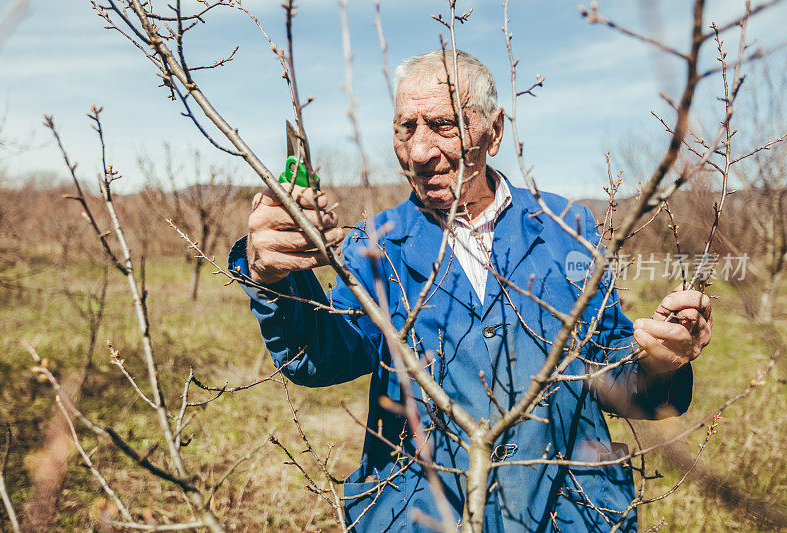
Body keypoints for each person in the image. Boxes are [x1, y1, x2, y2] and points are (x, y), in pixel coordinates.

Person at [229, 50, 712, 532]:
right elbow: (321, 355)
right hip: (418, 517)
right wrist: (274, 278)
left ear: (495, 131)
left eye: (442, 125)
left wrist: (657, 363)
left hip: (567, 515)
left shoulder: (570, 230)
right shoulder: (374, 245)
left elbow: (612, 375)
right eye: (405, 127)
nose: (418, 152)